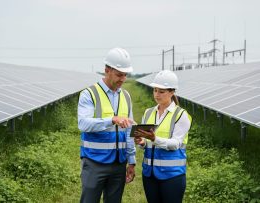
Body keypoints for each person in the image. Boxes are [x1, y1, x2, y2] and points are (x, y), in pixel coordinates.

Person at [78, 47, 136, 203]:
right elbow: (83, 123)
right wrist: (111, 120)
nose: (123, 79)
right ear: (107, 70)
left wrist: (131, 160)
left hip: (119, 163)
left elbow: (129, 129)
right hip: (94, 162)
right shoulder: (89, 94)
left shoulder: (126, 96)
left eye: (125, 75)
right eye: (119, 75)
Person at [134, 70, 192, 203]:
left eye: (161, 91)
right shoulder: (148, 113)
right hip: (149, 174)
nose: (156, 94)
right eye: (155, 90)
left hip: (172, 176)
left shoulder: (181, 115)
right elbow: (146, 143)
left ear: (172, 92)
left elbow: (175, 144)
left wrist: (154, 139)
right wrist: (141, 142)